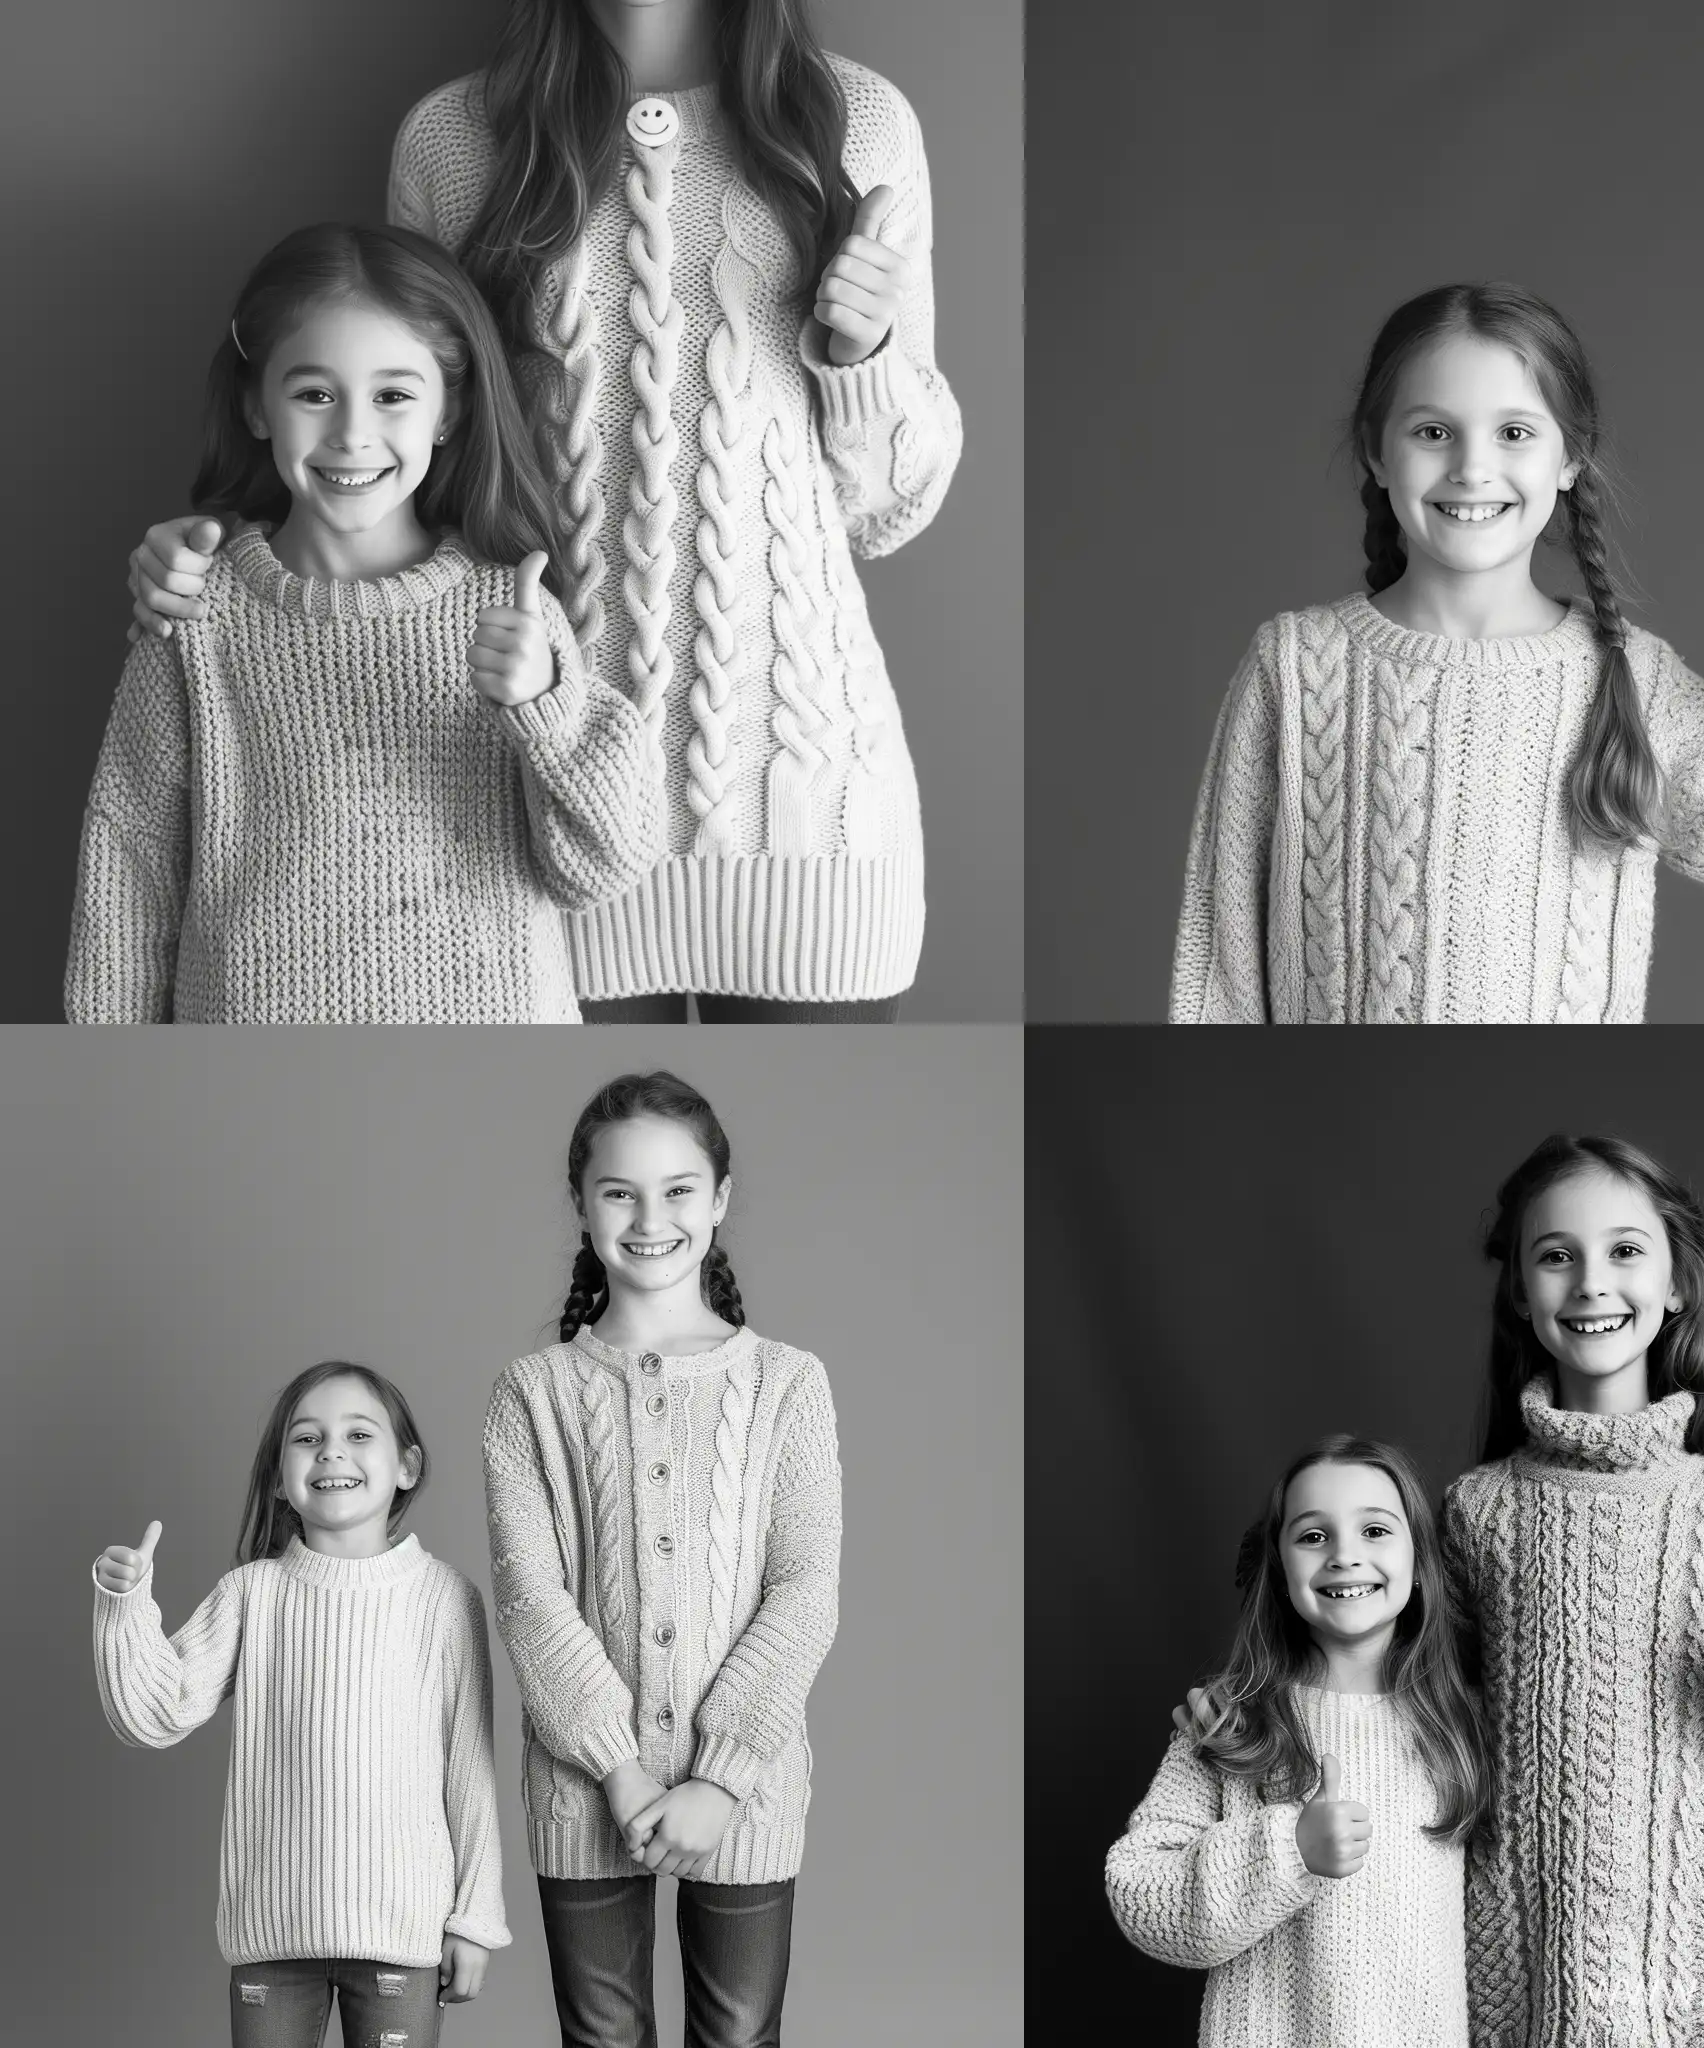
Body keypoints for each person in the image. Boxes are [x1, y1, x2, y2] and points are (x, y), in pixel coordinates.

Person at [129, 0, 962, 1021]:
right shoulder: (454, 139)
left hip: (807, 821)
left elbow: (889, 510)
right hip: (537, 809)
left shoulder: (857, 124)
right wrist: (214, 554)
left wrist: (863, 355)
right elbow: (405, 440)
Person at [1169, 282, 1704, 1023]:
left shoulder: (1628, 677)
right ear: (1376, 452)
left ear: (1571, 457)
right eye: (1433, 432)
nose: (1471, 469)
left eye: (1515, 433)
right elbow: (1220, 975)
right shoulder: (1296, 668)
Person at [67, 222, 662, 1022]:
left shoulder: (513, 611)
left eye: (393, 395)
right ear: (256, 406)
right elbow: (128, 873)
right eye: (315, 393)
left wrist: (546, 712)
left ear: (448, 412)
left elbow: (602, 871)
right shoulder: (193, 618)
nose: (352, 432)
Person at [1447, 1133, 1704, 2043]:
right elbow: (1425, 1732)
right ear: (1519, 1291)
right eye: (1556, 1256)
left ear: (1674, 1285)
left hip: (1686, 1955)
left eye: (1625, 1250)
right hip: (1515, 1956)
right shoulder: (1478, 1511)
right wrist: (1253, 1722)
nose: (1591, 1282)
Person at [483, 1068, 841, 2043]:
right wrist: (620, 1770)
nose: (651, 1217)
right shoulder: (531, 1393)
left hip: (749, 1789)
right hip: (582, 1784)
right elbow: (529, 1597)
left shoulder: (786, 1384)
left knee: (737, 2036)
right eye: (619, 1191)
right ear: (581, 1203)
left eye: (679, 1188)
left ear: (719, 1199)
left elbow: (805, 1590)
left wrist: (719, 1776)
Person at [91, 1362, 508, 2045]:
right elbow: (151, 1714)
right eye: (307, 1439)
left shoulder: (445, 1598)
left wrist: (475, 1920)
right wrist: (124, 1606)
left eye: (357, 1434)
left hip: (402, 1938)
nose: (332, 1452)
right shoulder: (252, 1594)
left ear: (407, 1465)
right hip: (272, 1943)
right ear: (282, 1479)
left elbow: (471, 1774)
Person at [1111, 1438, 1487, 2046]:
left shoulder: (1465, 1725)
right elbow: (1140, 1896)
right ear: (1280, 1567)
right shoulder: (1235, 1723)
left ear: (1420, 1563)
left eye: (1375, 1530)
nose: (1344, 1555)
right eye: (1314, 1536)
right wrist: (1289, 1848)